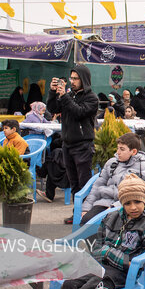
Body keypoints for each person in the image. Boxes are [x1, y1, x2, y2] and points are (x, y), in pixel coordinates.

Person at [47, 66, 99, 214]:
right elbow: (53, 109)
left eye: (76, 79)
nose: (73, 81)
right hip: (67, 144)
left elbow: (78, 112)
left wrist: (64, 97)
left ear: (84, 80)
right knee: (74, 183)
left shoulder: (91, 98)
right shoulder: (70, 95)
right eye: (71, 78)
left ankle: (86, 214)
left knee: (84, 183)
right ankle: (77, 213)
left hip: (83, 145)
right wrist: (52, 92)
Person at [81, 133, 145, 224]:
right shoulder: (111, 163)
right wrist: (86, 208)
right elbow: (97, 186)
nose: (118, 152)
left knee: (111, 224)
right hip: (104, 203)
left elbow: (144, 194)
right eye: (118, 148)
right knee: (87, 221)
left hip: (128, 206)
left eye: (122, 149)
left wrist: (115, 206)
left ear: (133, 152)